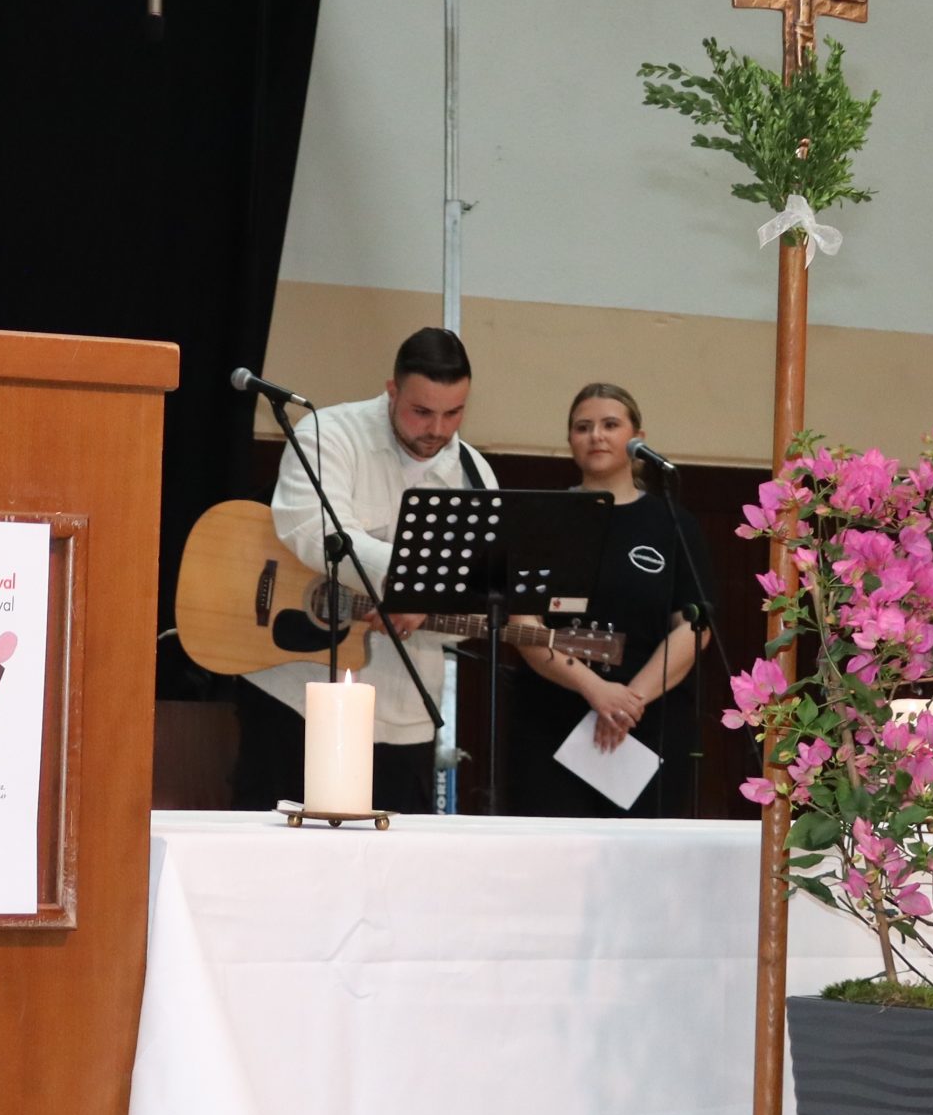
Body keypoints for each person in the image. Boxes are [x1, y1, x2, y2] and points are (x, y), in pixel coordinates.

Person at [233, 327, 496, 815]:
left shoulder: (475, 476)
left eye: (453, 413)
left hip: (405, 716)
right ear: (392, 390)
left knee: (396, 858)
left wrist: (427, 605)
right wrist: (416, 583)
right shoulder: (328, 433)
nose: (437, 429)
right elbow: (312, 528)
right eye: (421, 411)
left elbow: (475, 598)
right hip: (296, 696)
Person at [510, 383, 714, 817]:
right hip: (552, 722)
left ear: (637, 438)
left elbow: (694, 628)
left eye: (610, 425)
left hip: (649, 724)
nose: (596, 436)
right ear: (570, 440)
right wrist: (596, 690)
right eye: (583, 427)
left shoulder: (673, 523)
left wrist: (628, 702)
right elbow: (524, 626)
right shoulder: (543, 520)